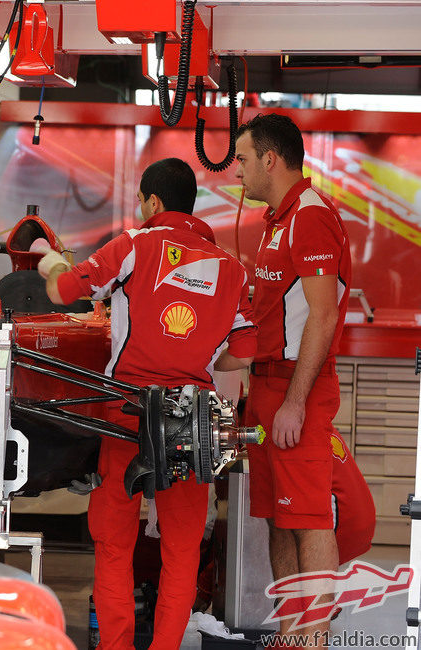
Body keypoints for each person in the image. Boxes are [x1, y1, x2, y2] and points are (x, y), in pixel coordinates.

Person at [38, 158, 257, 650]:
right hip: (192, 422)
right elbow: (244, 352)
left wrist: (47, 258)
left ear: (153, 202)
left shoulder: (136, 245)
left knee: (115, 543)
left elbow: (62, 289)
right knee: (181, 550)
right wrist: (199, 359)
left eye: (141, 201)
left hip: (127, 413)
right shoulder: (231, 268)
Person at [235, 113, 352, 648]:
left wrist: (296, 403)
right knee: (278, 522)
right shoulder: (275, 221)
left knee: (308, 519)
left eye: (241, 159)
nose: (236, 170)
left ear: (269, 159)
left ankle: (314, 640)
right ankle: (289, 633)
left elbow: (323, 316)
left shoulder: (309, 216)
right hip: (265, 389)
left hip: (295, 391)